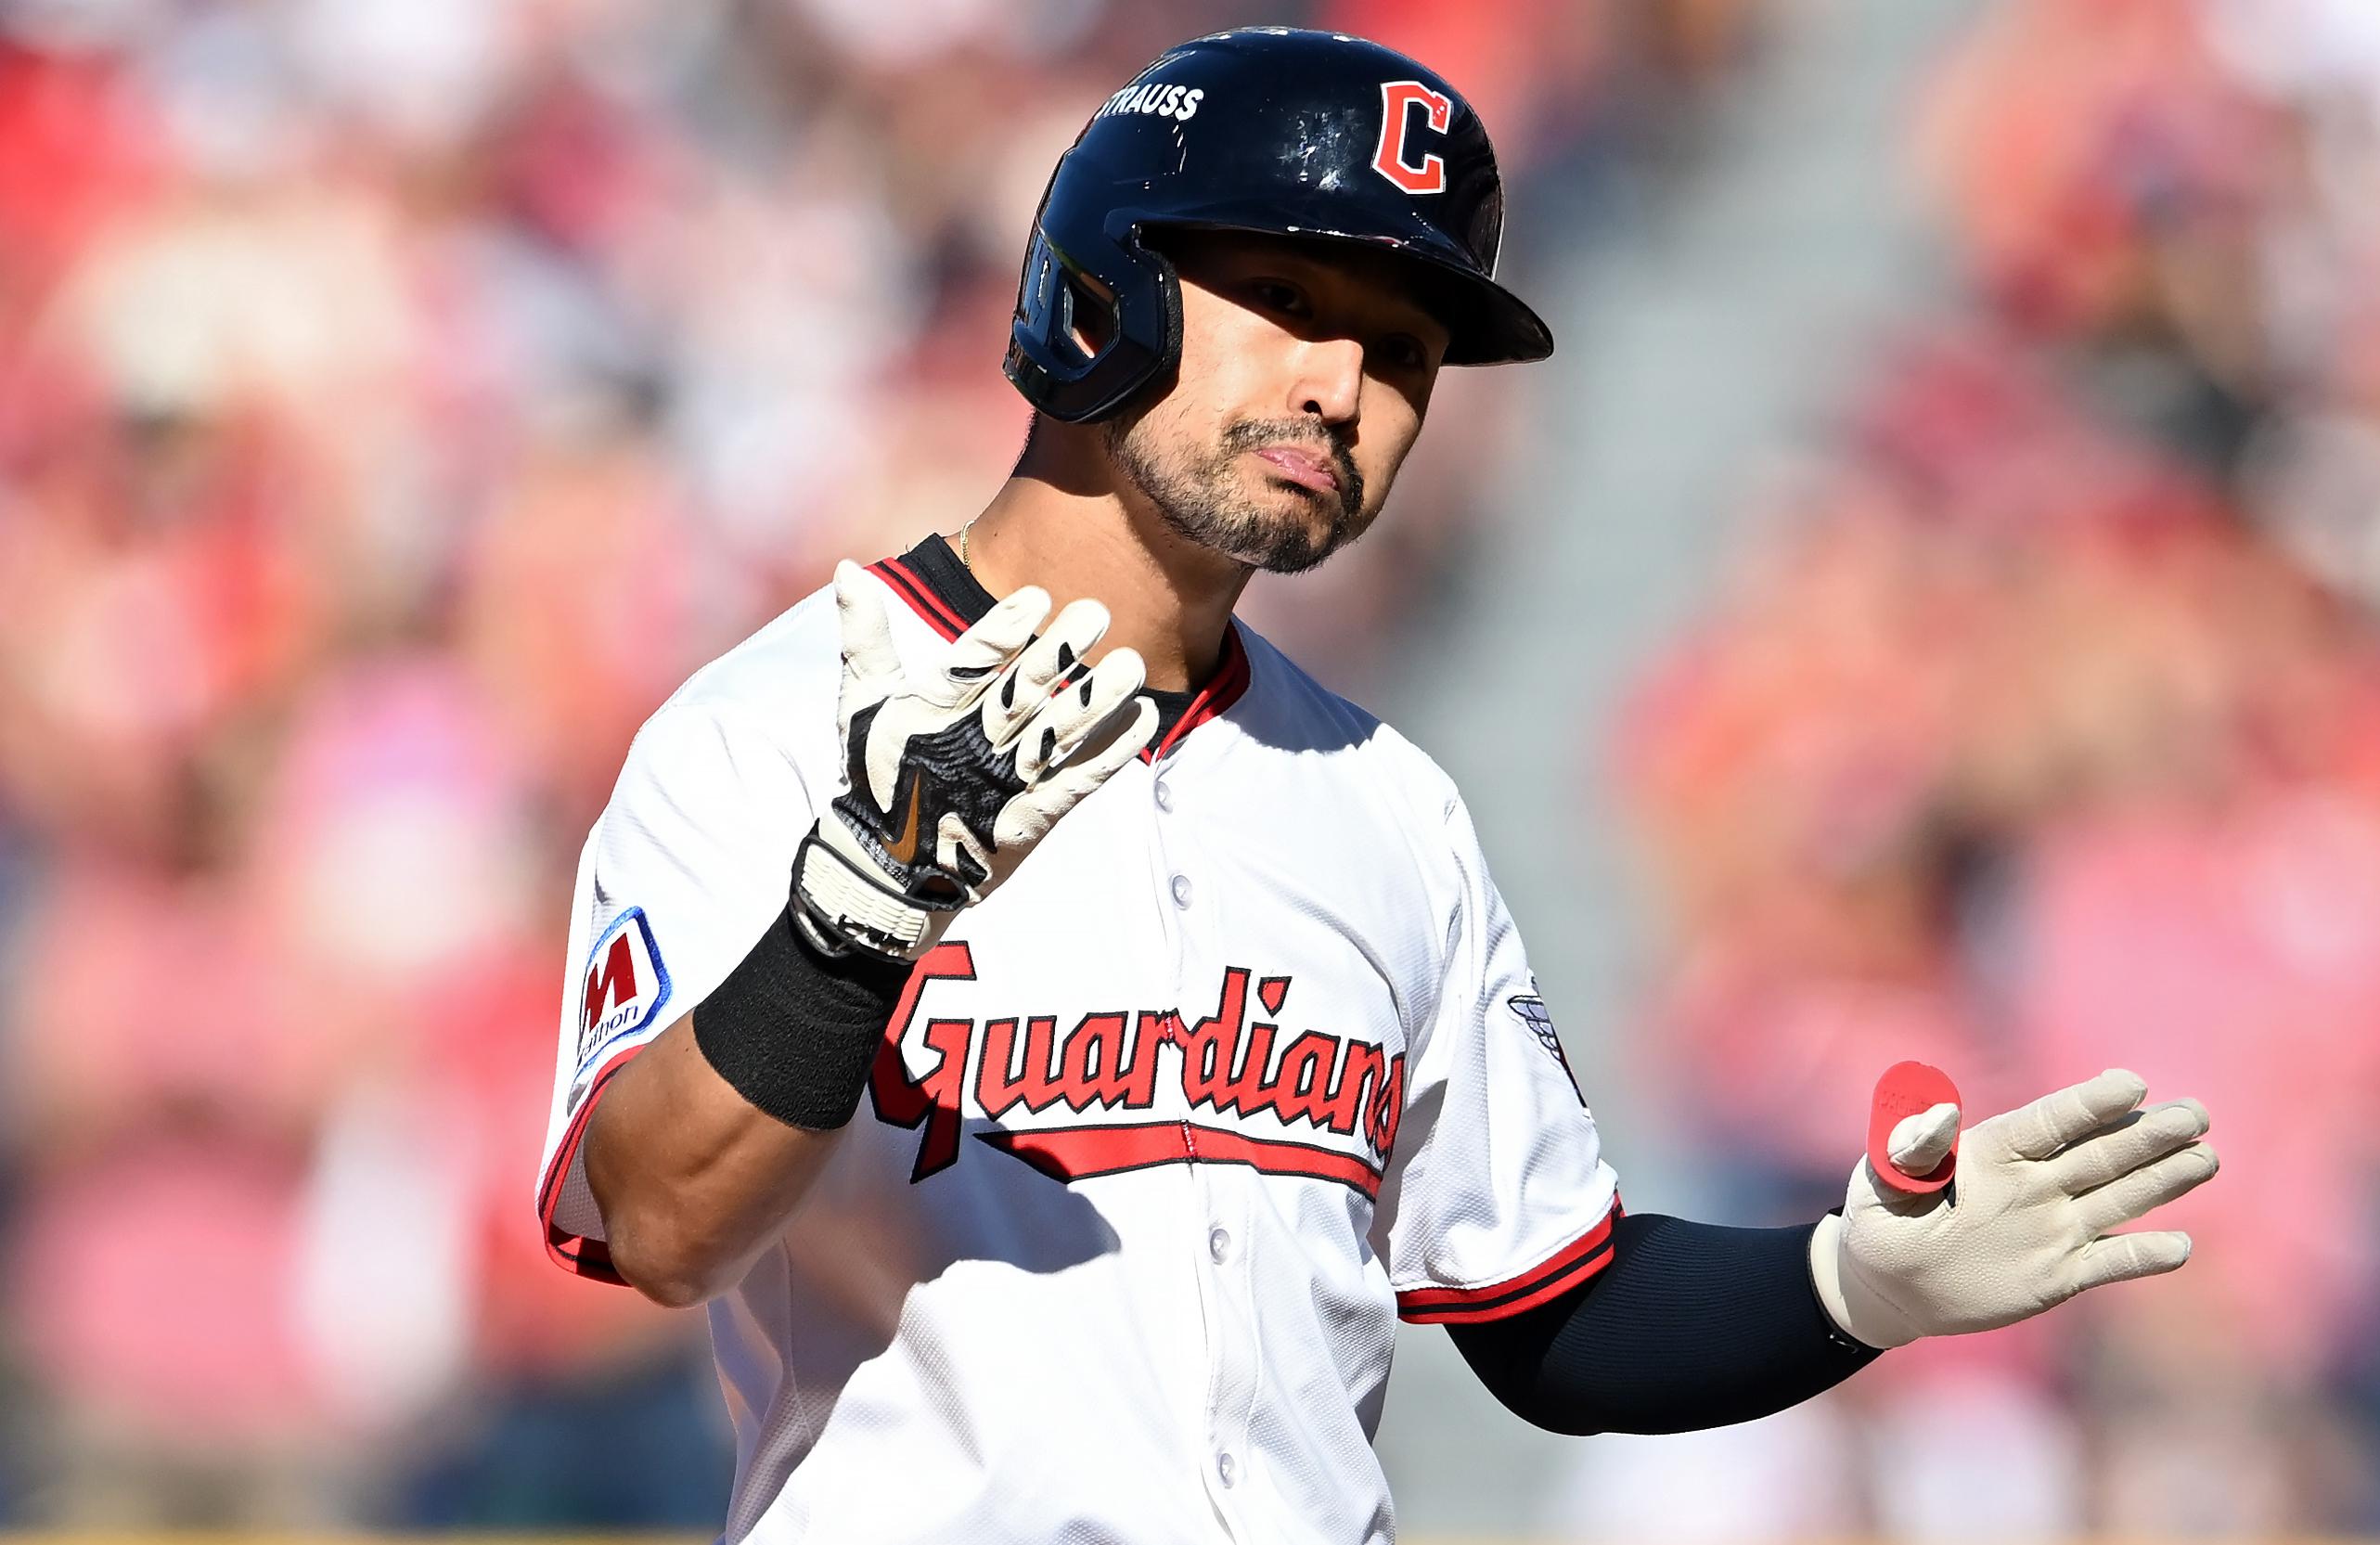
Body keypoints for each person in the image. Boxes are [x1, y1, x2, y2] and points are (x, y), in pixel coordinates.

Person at [534, 28, 2220, 1544]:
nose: (1347, 388)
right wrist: (855, 915)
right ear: (1105, 290)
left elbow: (1552, 1304)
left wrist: (1853, 1280)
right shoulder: (771, 726)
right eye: (1293, 302)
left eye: (1405, 349)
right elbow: (661, 1221)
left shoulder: (1383, 800)